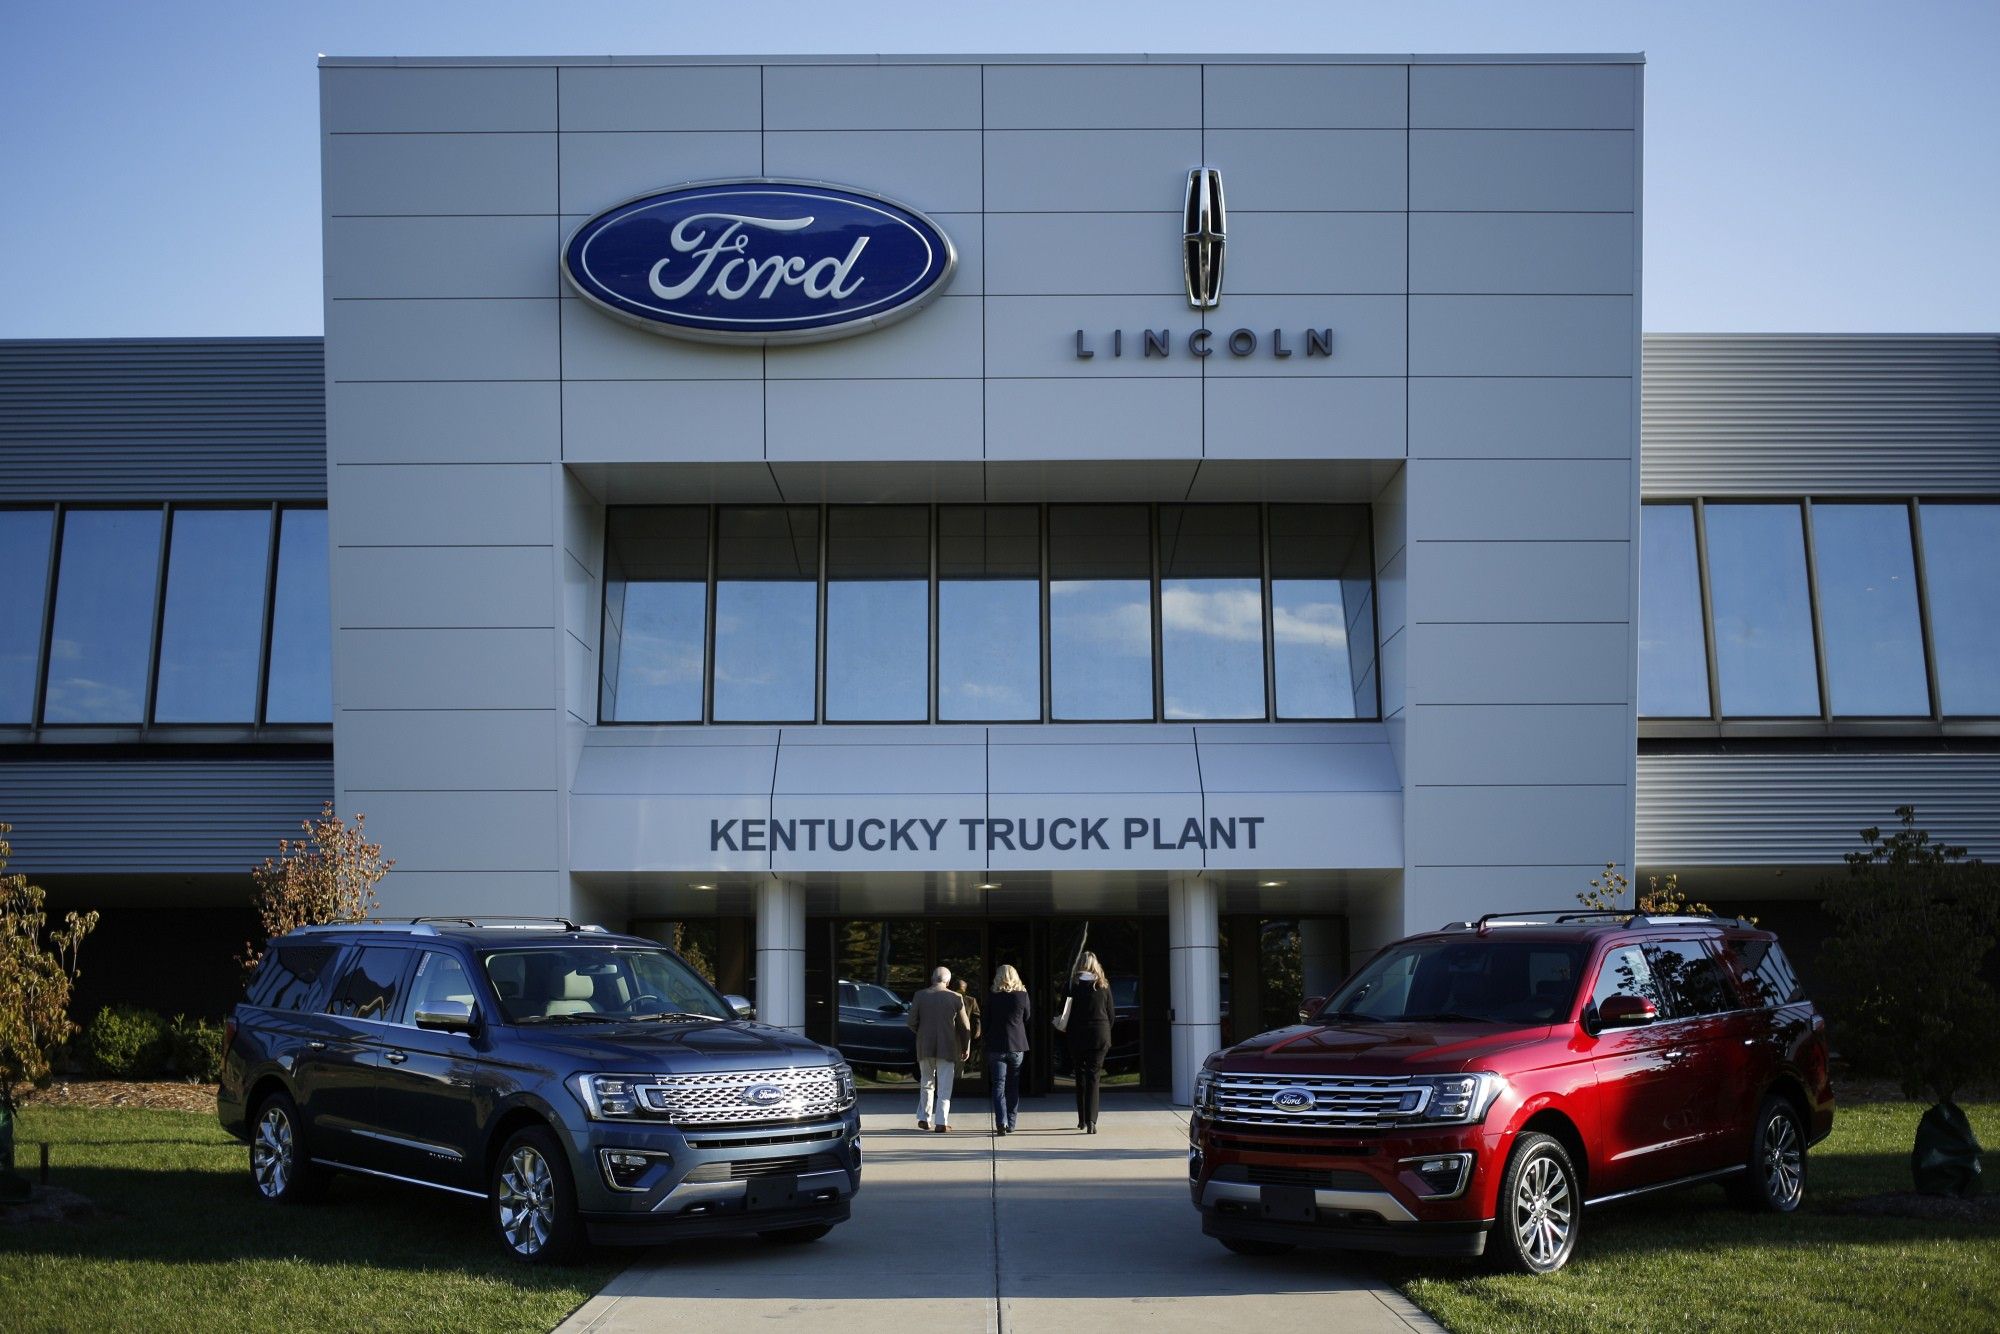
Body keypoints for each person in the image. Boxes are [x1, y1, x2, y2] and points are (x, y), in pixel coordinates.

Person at [907, 966, 971, 1133]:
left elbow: (911, 1022)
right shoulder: (956, 997)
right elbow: (965, 1026)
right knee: (945, 1086)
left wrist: (921, 1032)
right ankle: (941, 1121)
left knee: (926, 1083)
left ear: (932, 979)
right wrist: (966, 1046)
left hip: (924, 1046)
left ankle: (924, 1118)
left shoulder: (920, 995)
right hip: (947, 1046)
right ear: (948, 982)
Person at [1061, 951, 1116, 1133]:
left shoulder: (1072, 985)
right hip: (1099, 1034)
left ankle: (1082, 1119)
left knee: (1080, 1075)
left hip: (1077, 1034)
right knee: (1094, 1076)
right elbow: (1111, 1014)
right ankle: (1092, 1120)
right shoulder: (1103, 985)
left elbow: (1064, 1012)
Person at [984, 965, 1031, 1135]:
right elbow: (1027, 1017)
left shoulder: (992, 996)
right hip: (1017, 1045)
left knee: (998, 1086)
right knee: (1013, 1086)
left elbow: (986, 1020)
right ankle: (1011, 1122)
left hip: (996, 1046)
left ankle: (1001, 1122)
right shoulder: (1022, 996)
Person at [954, 977, 983, 1076]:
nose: (959, 990)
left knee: (961, 1060)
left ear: (965, 989)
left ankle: (958, 1082)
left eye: (962, 988)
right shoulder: (947, 998)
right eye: (957, 988)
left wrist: (977, 1031)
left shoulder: (971, 1000)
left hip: (964, 1033)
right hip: (949, 1032)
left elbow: (976, 1016)